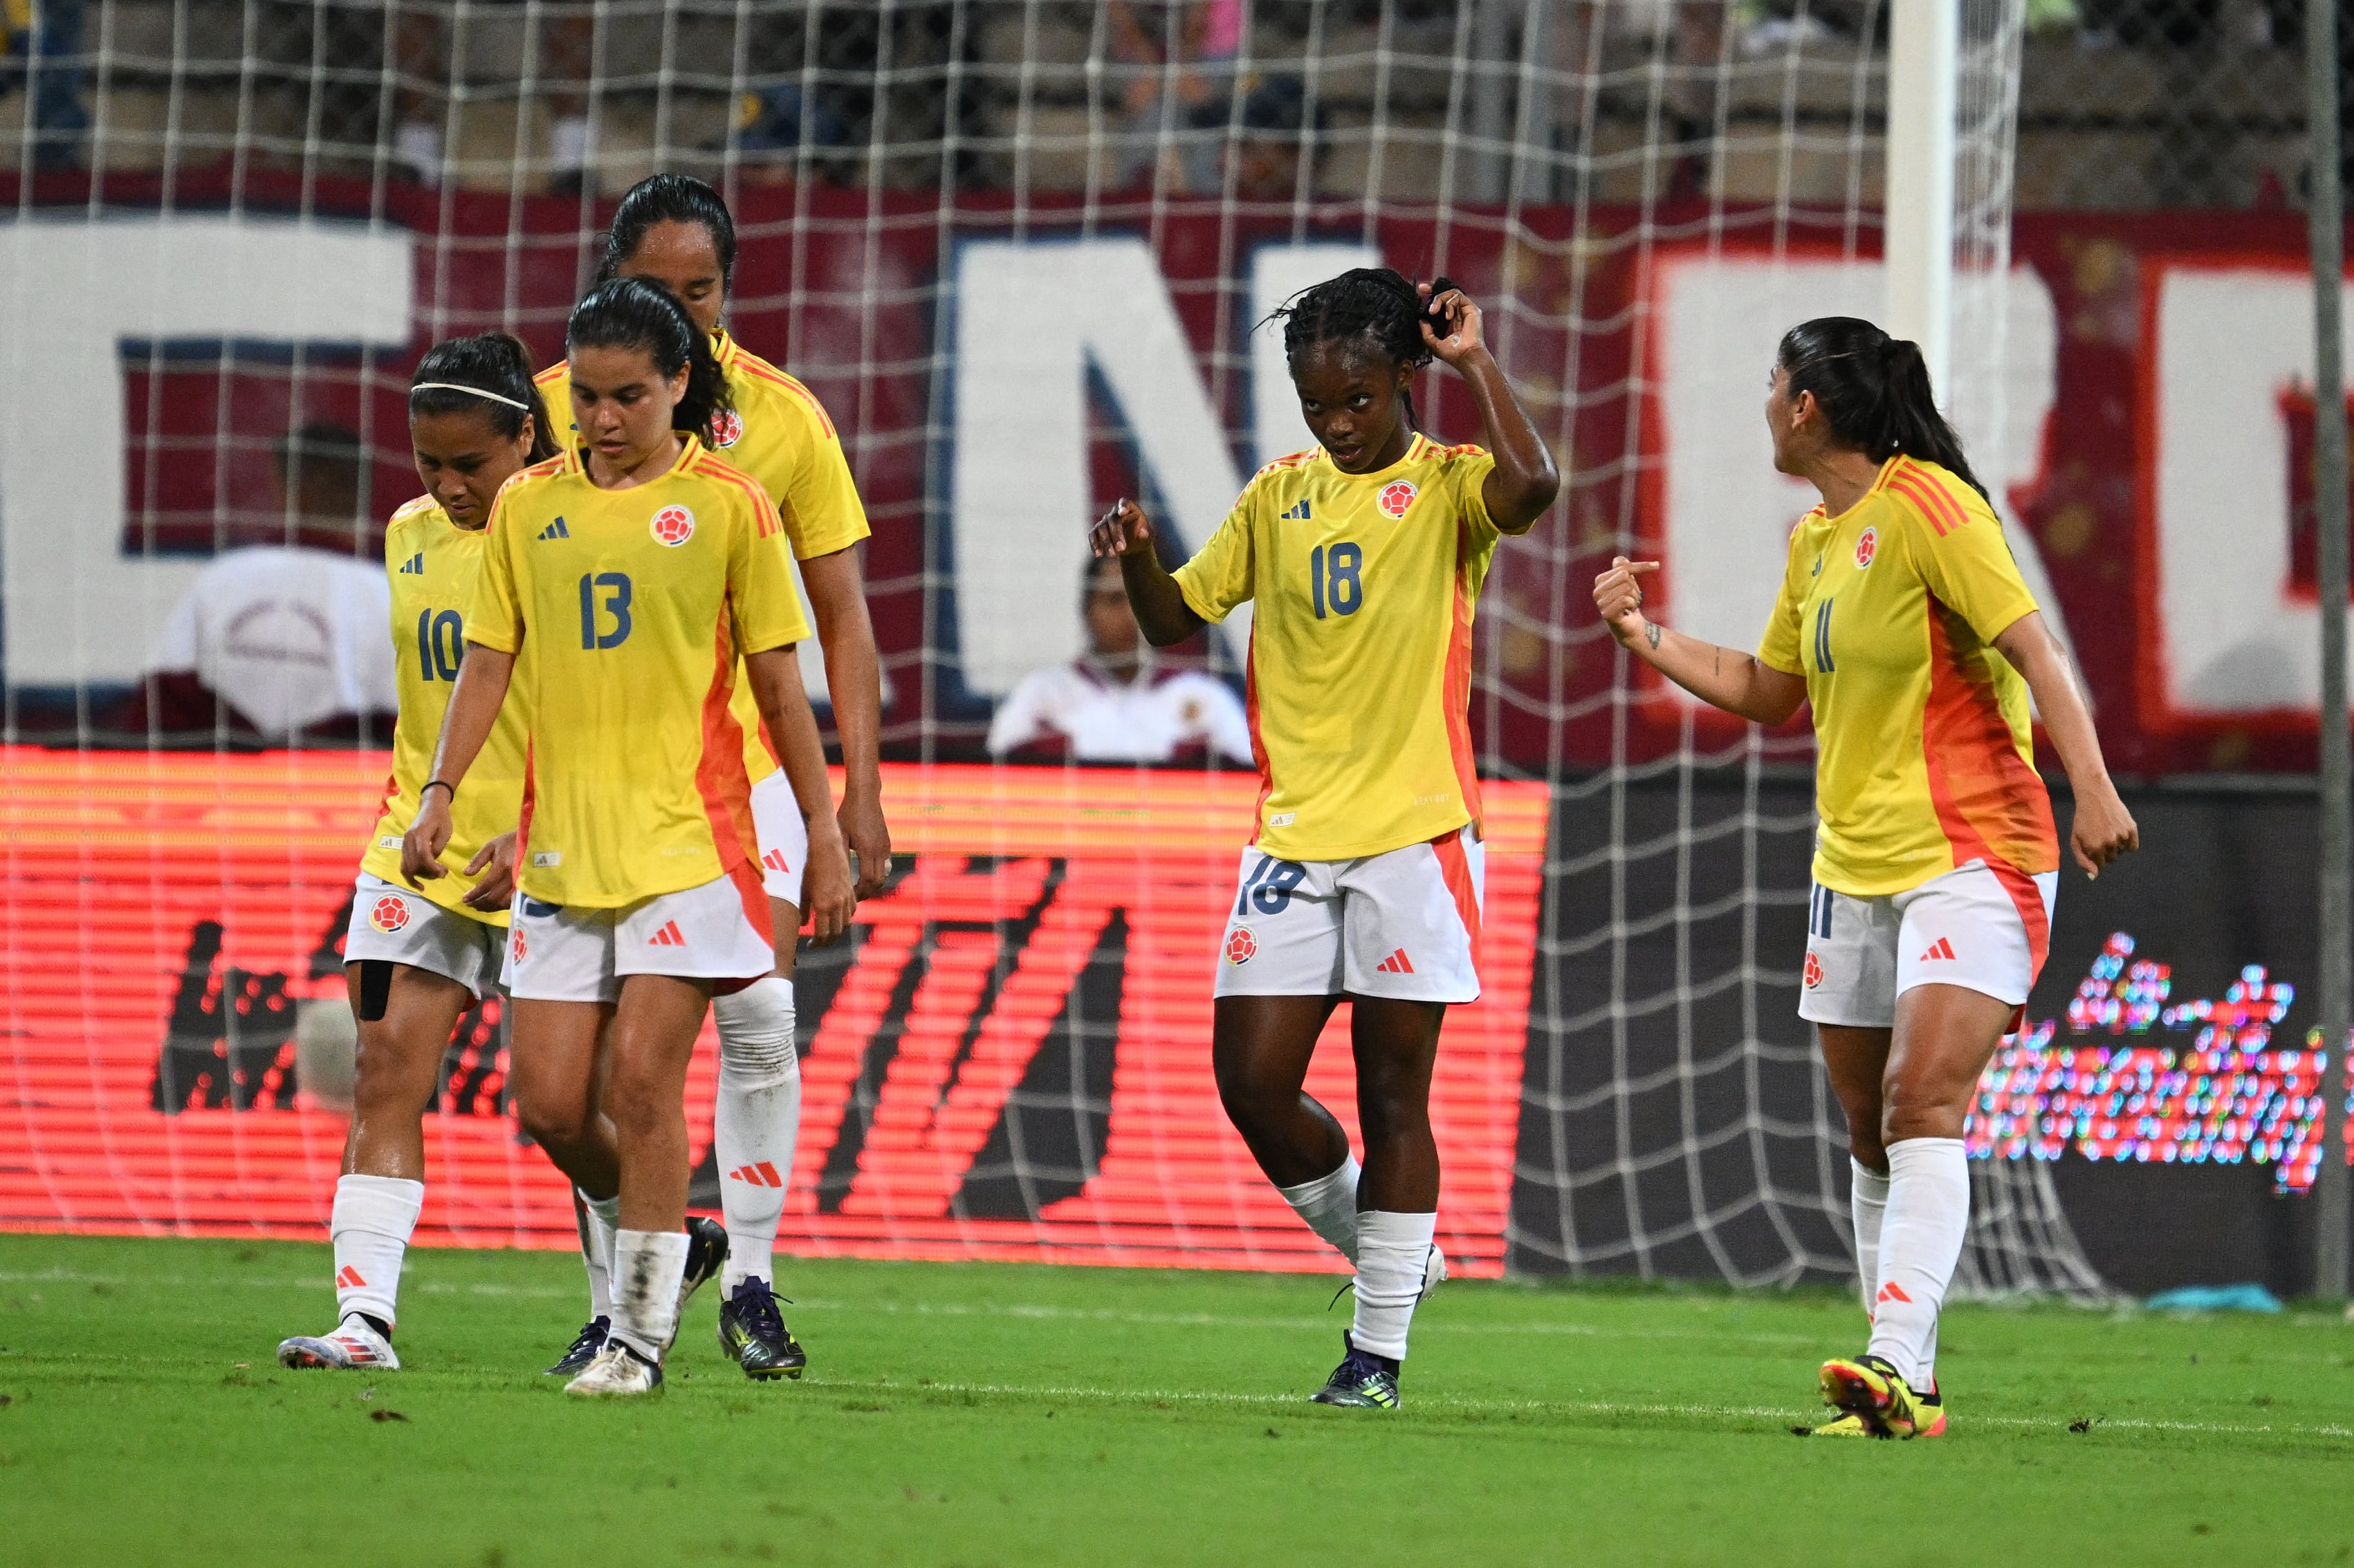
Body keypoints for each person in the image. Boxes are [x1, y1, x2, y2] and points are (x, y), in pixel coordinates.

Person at [1589, 316, 2139, 1439]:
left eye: (1770, 380)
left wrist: (2091, 785)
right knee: (1869, 1130)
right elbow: (1765, 687)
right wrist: (1645, 636)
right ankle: (1912, 1391)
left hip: (1973, 854)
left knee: (1921, 1096)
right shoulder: (1813, 542)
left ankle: (1888, 1361)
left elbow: (2035, 648)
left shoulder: (1930, 505)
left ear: (1804, 407)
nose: (1762, 400)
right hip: (1849, 869)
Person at [1089, 268, 1558, 1408]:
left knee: (1394, 1092)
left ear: (1401, 377)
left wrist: (1474, 361)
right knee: (1250, 1081)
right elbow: (1169, 621)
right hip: (1292, 839)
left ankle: (1376, 1351)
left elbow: (1535, 484)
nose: (1339, 424)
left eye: (1357, 400)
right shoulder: (1277, 494)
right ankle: (1394, 1252)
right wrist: (1138, 553)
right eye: (1318, 406)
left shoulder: (1450, 486)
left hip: (1414, 836)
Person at [403, 277, 856, 1397]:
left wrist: (828, 827)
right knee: (552, 1103)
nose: (604, 419)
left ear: (677, 388)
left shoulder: (729, 506)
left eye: (629, 398)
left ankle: (636, 1339)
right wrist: (442, 791)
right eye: (590, 397)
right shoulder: (524, 507)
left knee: (649, 1079)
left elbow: (780, 687)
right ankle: (679, 1243)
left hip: (687, 840)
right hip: (563, 840)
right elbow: (490, 659)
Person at [532, 172, 890, 1381]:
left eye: (701, 293)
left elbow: (840, 617)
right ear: (606, 283)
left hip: (750, 769)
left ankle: (750, 1279)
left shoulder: (783, 421)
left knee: (752, 1016)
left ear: (728, 292)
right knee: (583, 1074)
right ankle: (627, 1286)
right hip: (588, 780)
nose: (679, 314)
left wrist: (859, 791)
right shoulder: (554, 411)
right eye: (654, 290)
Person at [273, 336, 549, 1372]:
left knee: (570, 1109)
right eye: (428, 461)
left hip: (557, 845)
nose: (446, 484)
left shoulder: (574, 535)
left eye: (469, 464)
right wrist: (434, 802)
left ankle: (639, 1292)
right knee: (385, 1066)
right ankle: (364, 1321)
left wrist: (534, 816)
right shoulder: (408, 531)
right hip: (418, 842)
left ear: (527, 435)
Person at [140, 423, 398, 739]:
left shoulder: (220, 580)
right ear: (363, 493)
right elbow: (403, 725)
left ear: (285, 486)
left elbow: (159, 704)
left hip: (220, 782)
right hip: (339, 784)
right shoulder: (386, 595)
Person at [986, 554, 1253, 765]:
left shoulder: (1203, 696)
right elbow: (993, 776)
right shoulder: (1043, 695)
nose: (1131, 615)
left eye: (1141, 601)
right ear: (1087, 611)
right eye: (1115, 600)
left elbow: (1251, 785)